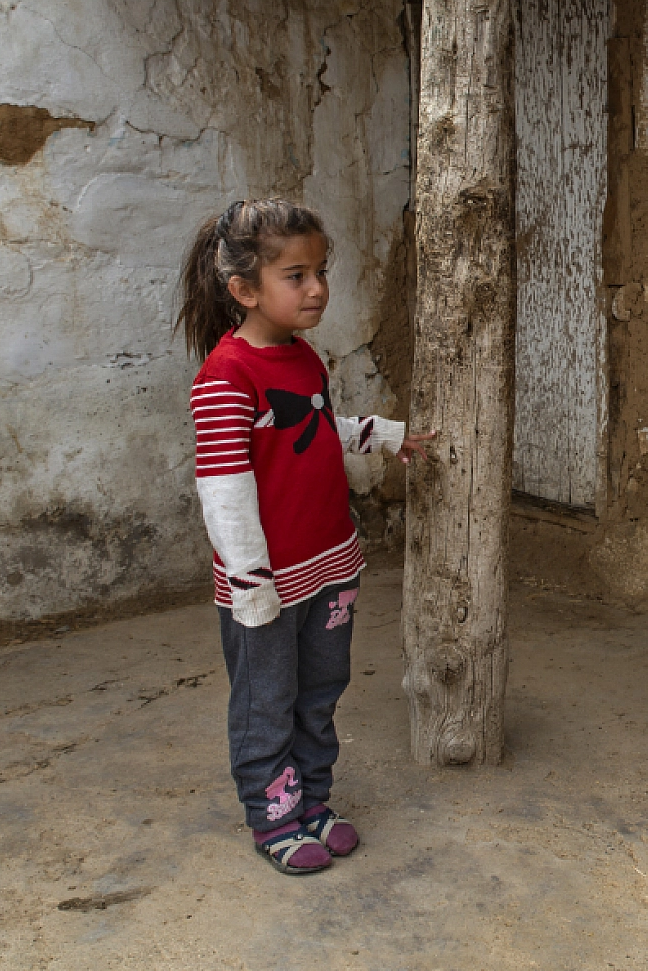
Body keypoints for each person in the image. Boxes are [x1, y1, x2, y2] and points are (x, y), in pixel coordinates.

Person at [175, 198, 433, 875]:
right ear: (244, 289)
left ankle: (313, 800)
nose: (317, 288)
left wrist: (384, 436)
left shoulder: (302, 355)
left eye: (320, 271)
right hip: (267, 586)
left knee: (321, 692)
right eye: (296, 275)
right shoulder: (225, 377)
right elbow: (224, 491)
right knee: (267, 702)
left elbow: (311, 427)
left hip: (329, 567)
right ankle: (274, 817)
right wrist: (250, 583)